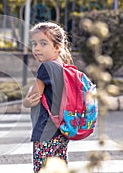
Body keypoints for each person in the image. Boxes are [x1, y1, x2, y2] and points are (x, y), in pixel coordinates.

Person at [22, 21, 74, 173]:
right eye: (34, 43)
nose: (37, 48)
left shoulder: (46, 67)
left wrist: (25, 102)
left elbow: (33, 98)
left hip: (45, 132)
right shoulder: (62, 66)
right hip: (61, 132)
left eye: (43, 43)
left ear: (57, 47)